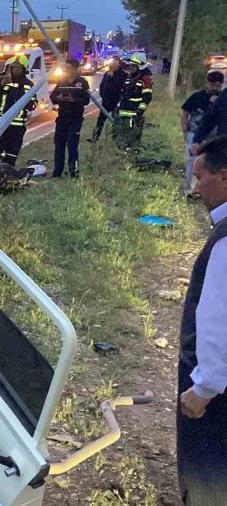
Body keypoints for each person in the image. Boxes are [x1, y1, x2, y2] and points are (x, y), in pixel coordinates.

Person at [176, 135, 227, 504]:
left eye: (200, 178)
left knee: (208, 473)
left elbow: (217, 317)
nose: (195, 189)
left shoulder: (226, 242)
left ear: (224, 177)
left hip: (215, 392)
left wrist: (205, 387)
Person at [0, 54, 37, 170]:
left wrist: (25, 100)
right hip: (0, 124)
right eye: (13, 67)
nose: (15, 70)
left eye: (18, 68)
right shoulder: (1, 81)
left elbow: (33, 104)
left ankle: (4, 180)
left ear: (24, 69)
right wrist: (0, 86)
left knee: (11, 156)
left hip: (17, 127)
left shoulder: (28, 85)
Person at [182, 72, 223, 193]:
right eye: (212, 85)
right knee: (192, 161)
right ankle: (189, 187)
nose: (215, 88)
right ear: (207, 83)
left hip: (215, 137)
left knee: (211, 164)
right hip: (194, 134)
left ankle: (204, 189)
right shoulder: (197, 97)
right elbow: (185, 113)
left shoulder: (222, 98)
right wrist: (185, 130)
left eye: (218, 86)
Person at [50, 59, 91, 178]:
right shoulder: (61, 81)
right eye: (65, 68)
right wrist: (59, 98)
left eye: (68, 68)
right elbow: (52, 97)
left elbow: (86, 100)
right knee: (59, 145)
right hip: (62, 117)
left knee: (72, 145)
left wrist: (73, 100)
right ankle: (57, 172)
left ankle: (74, 171)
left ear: (75, 69)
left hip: (75, 118)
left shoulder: (82, 83)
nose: (65, 71)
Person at [112, 53, 153, 150]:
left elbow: (147, 97)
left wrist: (140, 111)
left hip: (135, 114)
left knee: (132, 140)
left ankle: (132, 159)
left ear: (140, 66)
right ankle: (122, 158)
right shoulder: (129, 78)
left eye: (134, 66)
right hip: (123, 112)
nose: (131, 67)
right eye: (130, 65)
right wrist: (117, 107)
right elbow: (123, 95)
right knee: (118, 137)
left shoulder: (146, 80)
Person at [90, 58, 126, 142]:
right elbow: (102, 85)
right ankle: (95, 136)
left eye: (114, 62)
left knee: (115, 120)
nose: (111, 64)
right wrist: (103, 95)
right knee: (100, 120)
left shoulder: (122, 74)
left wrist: (113, 76)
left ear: (118, 65)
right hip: (105, 101)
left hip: (115, 101)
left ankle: (115, 138)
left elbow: (120, 86)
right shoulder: (107, 73)